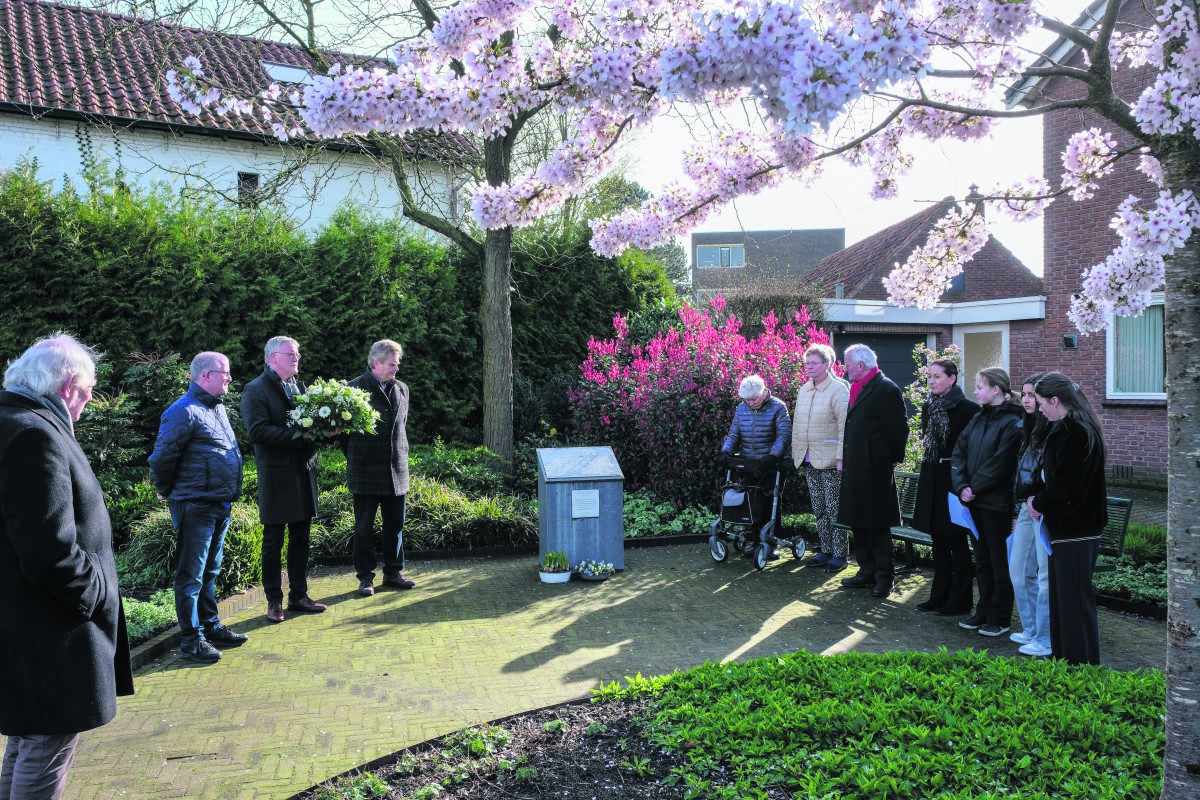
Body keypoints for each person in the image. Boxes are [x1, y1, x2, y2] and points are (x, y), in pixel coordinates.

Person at [0, 334, 134, 799]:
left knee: (27, 742)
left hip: (29, 628)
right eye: (90, 388)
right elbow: (48, 548)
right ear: (69, 384)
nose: (92, 398)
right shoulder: (33, 432)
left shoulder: (13, 421)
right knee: (42, 749)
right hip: (50, 633)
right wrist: (96, 594)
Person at [148, 352, 247, 664]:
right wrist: (164, 490)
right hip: (195, 504)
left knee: (210, 571)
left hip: (218, 502)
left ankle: (211, 626)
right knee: (191, 574)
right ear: (205, 376)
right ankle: (191, 640)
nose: (230, 378)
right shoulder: (183, 411)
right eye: (225, 373)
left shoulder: (216, 409)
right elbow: (162, 457)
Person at [241, 336, 327, 624]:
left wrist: (325, 431)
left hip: (303, 473)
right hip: (277, 477)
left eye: (298, 353)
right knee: (273, 541)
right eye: (290, 354)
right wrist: (299, 436)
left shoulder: (301, 387)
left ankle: (299, 596)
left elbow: (310, 426)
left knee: (301, 538)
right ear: (272, 358)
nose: (296, 358)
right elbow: (258, 432)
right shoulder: (255, 389)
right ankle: (274, 601)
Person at [1028, 372, 1108, 666]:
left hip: (1077, 527)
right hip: (1068, 527)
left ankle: (1080, 664)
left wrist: (1038, 502)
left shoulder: (1075, 432)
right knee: (1063, 599)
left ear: (1055, 400)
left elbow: (1065, 483)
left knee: (1074, 601)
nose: (1040, 409)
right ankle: (1062, 658)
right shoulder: (1071, 427)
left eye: (1041, 403)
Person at [951, 367, 1023, 637]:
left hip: (996, 503)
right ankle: (983, 610)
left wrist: (974, 488)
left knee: (998, 560)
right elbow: (959, 453)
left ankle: (1000, 616)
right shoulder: (978, 419)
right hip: (974, 502)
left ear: (996, 390)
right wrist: (962, 486)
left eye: (980, 386)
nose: (976, 391)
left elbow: (1001, 463)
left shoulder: (1013, 422)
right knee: (981, 559)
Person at [837, 344, 909, 599]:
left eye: (848, 364)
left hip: (875, 469)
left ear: (861, 365)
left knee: (877, 526)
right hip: (856, 467)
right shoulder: (858, 388)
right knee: (858, 521)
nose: (845, 369)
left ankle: (884, 577)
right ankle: (866, 571)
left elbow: (899, 430)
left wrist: (886, 460)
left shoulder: (886, 388)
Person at [345, 340, 414, 596]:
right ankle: (365, 578)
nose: (396, 369)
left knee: (395, 525)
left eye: (397, 364)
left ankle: (394, 573)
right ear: (375, 363)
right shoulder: (354, 389)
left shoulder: (402, 389)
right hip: (365, 471)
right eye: (391, 364)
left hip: (397, 470)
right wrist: (359, 456)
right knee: (363, 528)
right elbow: (344, 435)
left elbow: (402, 428)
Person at [910, 359, 979, 614]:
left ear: (952, 378)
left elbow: (971, 450)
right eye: (929, 377)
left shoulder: (969, 410)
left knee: (956, 541)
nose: (931, 381)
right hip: (932, 477)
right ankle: (938, 595)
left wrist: (964, 483)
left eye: (937, 376)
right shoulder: (930, 407)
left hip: (954, 480)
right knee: (938, 540)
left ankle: (960, 600)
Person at [790, 344, 850, 572]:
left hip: (831, 461)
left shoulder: (838, 389)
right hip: (808, 458)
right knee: (818, 508)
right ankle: (825, 549)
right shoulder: (804, 390)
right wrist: (797, 452)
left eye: (814, 363)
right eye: (807, 363)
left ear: (828, 365)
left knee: (835, 509)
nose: (809, 367)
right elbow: (798, 425)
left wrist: (841, 457)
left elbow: (845, 426)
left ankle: (840, 554)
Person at [721, 374, 792, 549]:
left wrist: (773, 456)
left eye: (753, 399)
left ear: (763, 392)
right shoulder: (742, 408)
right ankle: (754, 539)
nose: (750, 403)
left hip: (771, 464)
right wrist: (725, 451)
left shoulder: (778, 407)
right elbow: (734, 433)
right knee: (750, 502)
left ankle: (771, 543)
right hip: (749, 464)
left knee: (770, 502)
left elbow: (784, 435)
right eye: (746, 400)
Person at [1010, 373, 1051, 657]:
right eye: (1023, 394)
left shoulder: (1050, 429)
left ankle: (1045, 637)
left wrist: (1040, 501)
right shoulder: (1025, 427)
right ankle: (1031, 628)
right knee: (1018, 570)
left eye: (1031, 395)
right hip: (1025, 506)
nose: (1026, 399)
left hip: (1041, 509)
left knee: (1042, 575)